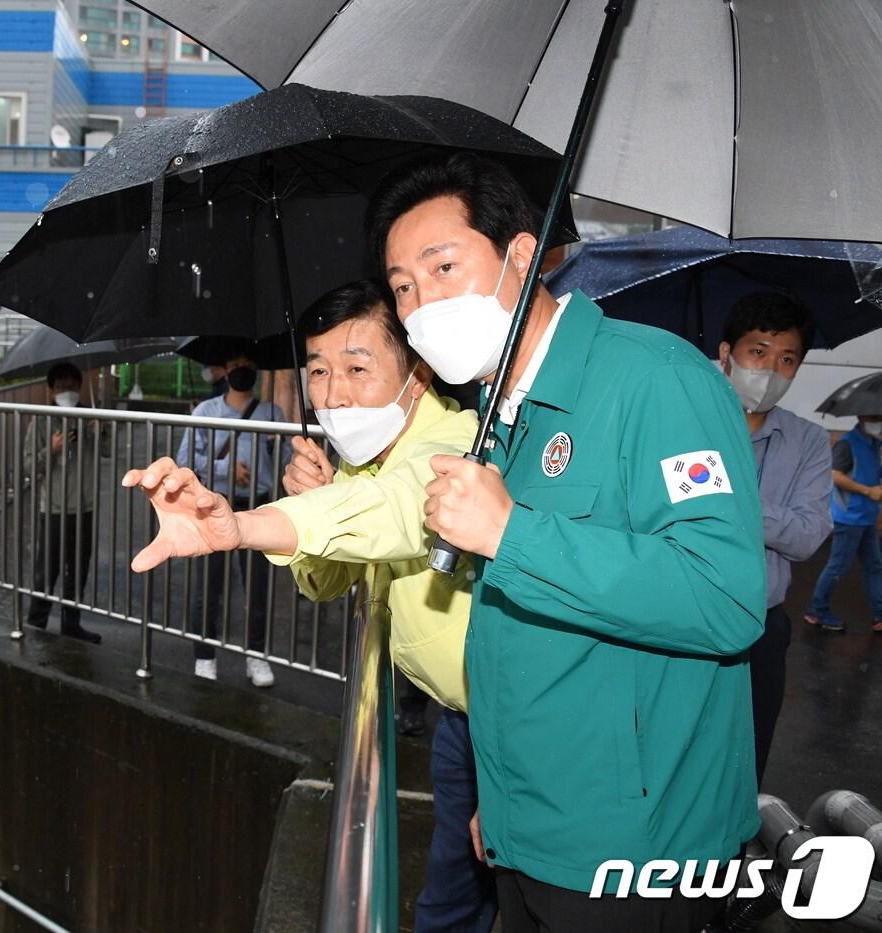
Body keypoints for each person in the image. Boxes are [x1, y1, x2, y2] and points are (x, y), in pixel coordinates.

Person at [131, 153, 765, 931]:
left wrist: (513, 533)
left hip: (633, 844)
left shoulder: (655, 378)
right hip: (527, 825)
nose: (423, 303)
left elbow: (725, 595)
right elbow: (444, 572)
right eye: (404, 286)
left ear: (523, 256)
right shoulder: (505, 417)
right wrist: (500, 800)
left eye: (443, 266)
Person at [123, 279, 492, 932]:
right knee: (453, 887)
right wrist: (317, 498)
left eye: (357, 366)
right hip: (458, 716)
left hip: (515, 719)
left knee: (486, 895)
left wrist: (246, 523)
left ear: (418, 371)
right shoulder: (357, 464)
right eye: (318, 369)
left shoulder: (456, 440)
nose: (333, 393)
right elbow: (324, 583)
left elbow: (400, 508)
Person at [716, 292, 832, 782]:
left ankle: (731, 857)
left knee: (746, 760)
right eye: (757, 352)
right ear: (727, 354)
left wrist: (725, 502)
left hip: (762, 626)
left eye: (787, 359)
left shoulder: (808, 441)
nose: (770, 370)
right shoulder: (685, 425)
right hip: (677, 619)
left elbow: (807, 537)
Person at [174, 352, 283, 686]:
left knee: (258, 587)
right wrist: (227, 467)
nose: (243, 370)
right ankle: (204, 655)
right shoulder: (206, 411)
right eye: (236, 364)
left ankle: (256, 656)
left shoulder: (272, 413)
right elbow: (186, 460)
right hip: (214, 507)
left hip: (258, 507)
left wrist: (278, 446)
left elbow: (285, 462)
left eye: (250, 364)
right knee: (208, 586)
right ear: (224, 369)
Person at [22, 362, 106, 644]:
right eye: (60, 387)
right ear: (50, 390)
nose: (66, 391)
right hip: (55, 508)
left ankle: (71, 624)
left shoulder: (90, 417)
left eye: (71, 386)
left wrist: (100, 430)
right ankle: (36, 623)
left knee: (79, 569)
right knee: (47, 570)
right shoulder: (42, 421)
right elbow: (29, 466)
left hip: (85, 506)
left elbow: (106, 451)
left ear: (80, 387)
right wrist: (52, 450)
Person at [805, 412, 882, 633]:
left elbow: (872, 471)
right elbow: (835, 475)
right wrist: (868, 491)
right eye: (876, 417)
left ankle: (879, 614)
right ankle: (816, 610)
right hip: (849, 518)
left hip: (866, 516)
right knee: (838, 566)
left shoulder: (874, 444)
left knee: (874, 566)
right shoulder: (848, 444)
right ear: (862, 416)